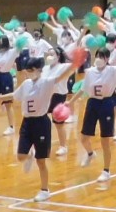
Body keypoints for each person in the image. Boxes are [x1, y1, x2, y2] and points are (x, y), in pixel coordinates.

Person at [11, 52, 72, 202]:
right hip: (27, 123)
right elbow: (13, 95)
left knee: (41, 161)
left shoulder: (46, 82)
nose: (28, 73)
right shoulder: (25, 84)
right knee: (20, 157)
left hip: (41, 123)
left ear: (39, 70)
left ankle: (45, 190)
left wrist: (75, 64)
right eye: (27, 70)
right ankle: (28, 155)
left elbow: (61, 77)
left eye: (31, 70)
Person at [78, 50, 116, 181]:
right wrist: (70, 102)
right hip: (92, 103)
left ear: (107, 58)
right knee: (83, 137)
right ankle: (90, 154)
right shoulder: (89, 71)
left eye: (101, 57)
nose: (98, 59)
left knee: (105, 140)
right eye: (97, 56)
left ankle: (106, 170)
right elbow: (83, 89)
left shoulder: (113, 70)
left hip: (106, 103)